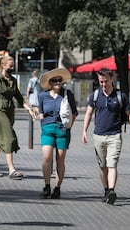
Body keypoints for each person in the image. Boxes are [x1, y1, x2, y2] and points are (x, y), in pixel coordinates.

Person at [82, 68, 130, 205]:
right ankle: (106, 190)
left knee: (112, 164)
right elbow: (88, 114)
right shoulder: (95, 96)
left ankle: (112, 190)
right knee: (102, 166)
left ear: (112, 79)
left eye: (106, 81)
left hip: (115, 135)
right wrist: (84, 131)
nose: (103, 84)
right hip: (98, 135)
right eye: (101, 81)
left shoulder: (120, 96)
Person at [0, 55, 36, 179]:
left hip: (10, 112)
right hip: (0, 111)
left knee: (0, 140)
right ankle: (11, 169)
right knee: (9, 138)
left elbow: (19, 97)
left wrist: (29, 109)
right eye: (10, 66)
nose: (12, 68)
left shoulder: (13, 80)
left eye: (13, 66)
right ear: (3, 65)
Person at [38, 68, 78, 199]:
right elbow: (41, 113)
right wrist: (38, 116)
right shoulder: (43, 95)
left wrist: (68, 127)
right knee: (46, 158)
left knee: (60, 160)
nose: (57, 83)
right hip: (47, 130)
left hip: (62, 131)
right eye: (54, 80)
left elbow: (74, 113)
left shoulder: (67, 94)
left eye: (59, 80)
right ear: (49, 82)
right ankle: (47, 185)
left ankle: (57, 187)